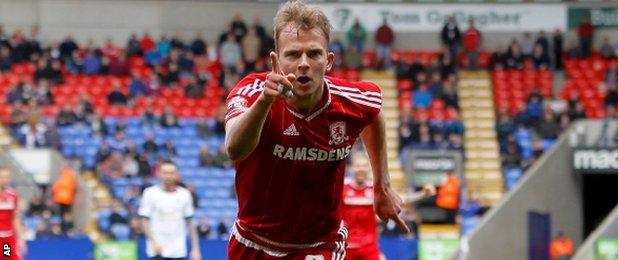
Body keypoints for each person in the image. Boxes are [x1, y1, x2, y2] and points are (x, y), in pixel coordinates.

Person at [224, 1, 406, 258]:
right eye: (293, 54)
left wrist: (382, 185)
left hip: (320, 245)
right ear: (276, 60)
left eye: (314, 53)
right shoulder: (252, 92)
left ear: (328, 61)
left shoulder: (353, 100)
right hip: (254, 243)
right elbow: (234, 148)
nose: (303, 63)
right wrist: (265, 102)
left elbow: (373, 114)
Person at [342, 155, 435, 260]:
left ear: (369, 168)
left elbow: (400, 200)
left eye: (364, 166)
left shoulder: (375, 189)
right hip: (346, 246)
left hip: (368, 246)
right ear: (352, 168)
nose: (361, 169)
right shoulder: (342, 188)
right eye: (358, 166)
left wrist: (423, 194)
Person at [138, 162, 201, 260]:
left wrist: (195, 249)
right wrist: (153, 241)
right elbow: (144, 221)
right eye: (165, 172)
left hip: (178, 250)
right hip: (157, 250)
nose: (168, 176)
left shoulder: (184, 194)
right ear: (159, 174)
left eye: (171, 173)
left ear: (177, 175)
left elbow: (191, 224)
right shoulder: (149, 193)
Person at [0, 167, 27, 260]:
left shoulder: (13, 195)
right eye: (2, 177)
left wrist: (20, 239)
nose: (5, 180)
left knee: (7, 257)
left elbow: (15, 218)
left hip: (7, 240)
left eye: (7, 177)